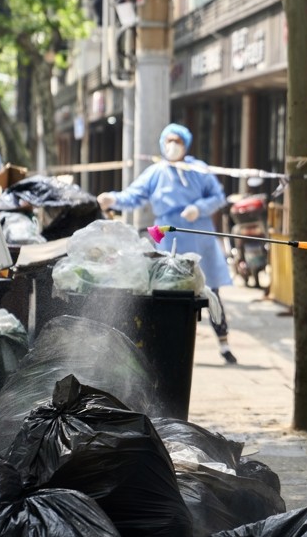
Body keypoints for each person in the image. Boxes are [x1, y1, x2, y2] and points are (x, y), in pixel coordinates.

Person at [97, 123, 238, 364]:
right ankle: (169, 344)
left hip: (199, 235)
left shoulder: (199, 170)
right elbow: (133, 196)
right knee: (168, 291)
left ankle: (224, 345)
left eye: (178, 141)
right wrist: (113, 199)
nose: (173, 146)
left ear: (186, 144)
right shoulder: (156, 172)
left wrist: (199, 208)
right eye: (169, 140)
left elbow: (218, 197)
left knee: (211, 291)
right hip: (168, 237)